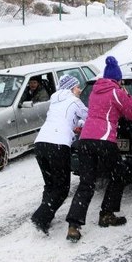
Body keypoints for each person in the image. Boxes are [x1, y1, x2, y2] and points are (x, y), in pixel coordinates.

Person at [65, 56, 132, 242]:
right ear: (117, 79)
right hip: (104, 140)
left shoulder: (94, 91)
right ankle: (106, 214)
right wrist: (126, 93)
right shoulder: (116, 92)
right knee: (119, 174)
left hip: (85, 141)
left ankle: (74, 225)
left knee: (87, 183)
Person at [31, 75, 88, 234]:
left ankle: (46, 216)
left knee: (50, 184)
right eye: (77, 87)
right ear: (71, 88)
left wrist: (77, 125)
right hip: (58, 145)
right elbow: (89, 117)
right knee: (62, 188)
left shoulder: (55, 101)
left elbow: (67, 119)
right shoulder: (75, 101)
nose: (80, 90)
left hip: (41, 143)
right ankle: (40, 218)